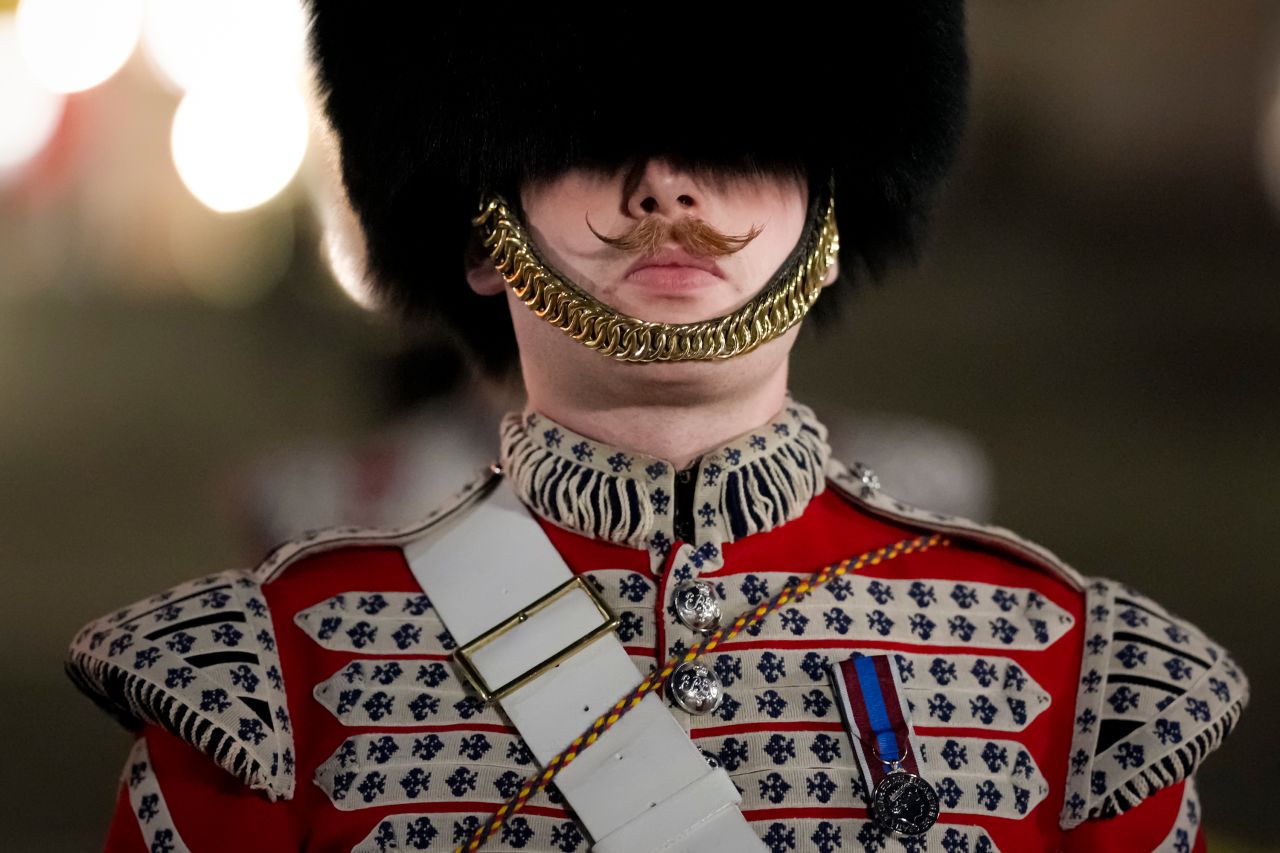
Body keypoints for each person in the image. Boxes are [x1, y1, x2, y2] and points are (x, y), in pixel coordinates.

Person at [67, 4, 1246, 852]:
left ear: (826, 219)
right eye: (587, 137)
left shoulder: (1075, 674)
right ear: (482, 233)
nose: (667, 187)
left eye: (742, 139)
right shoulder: (276, 682)